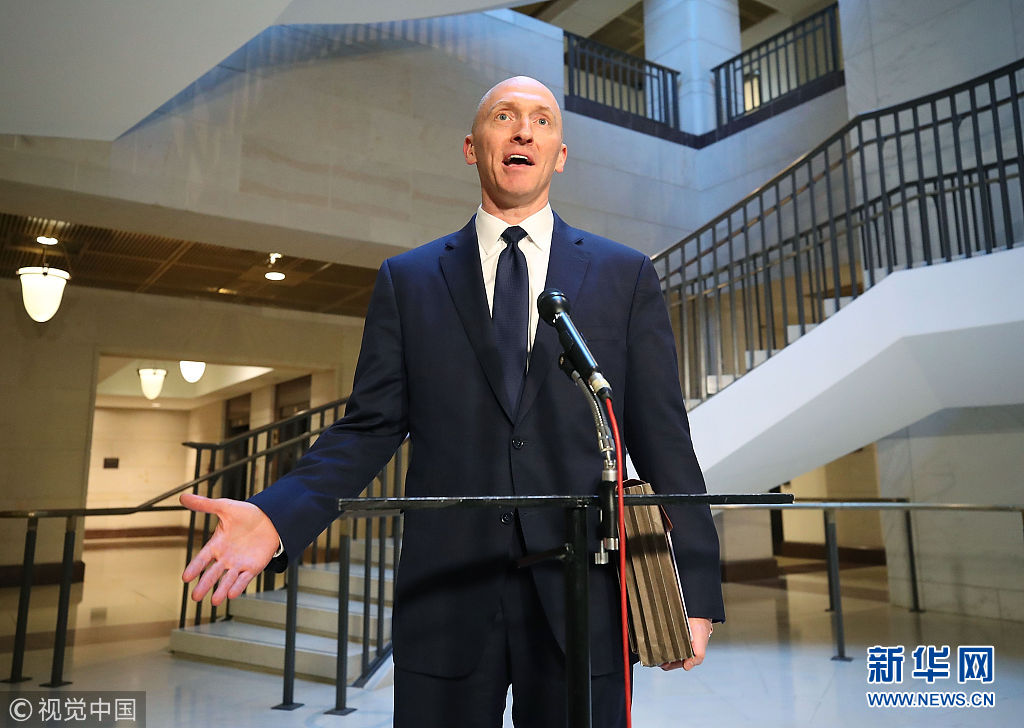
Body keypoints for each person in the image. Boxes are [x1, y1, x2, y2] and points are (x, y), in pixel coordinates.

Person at [181, 76, 724, 727]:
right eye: (504, 116)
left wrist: (696, 585)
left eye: (542, 120)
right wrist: (278, 515)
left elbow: (664, 439)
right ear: (473, 147)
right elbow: (368, 428)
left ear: (560, 155)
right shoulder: (409, 280)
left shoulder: (624, 275)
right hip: (446, 596)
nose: (523, 130)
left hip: (582, 594)